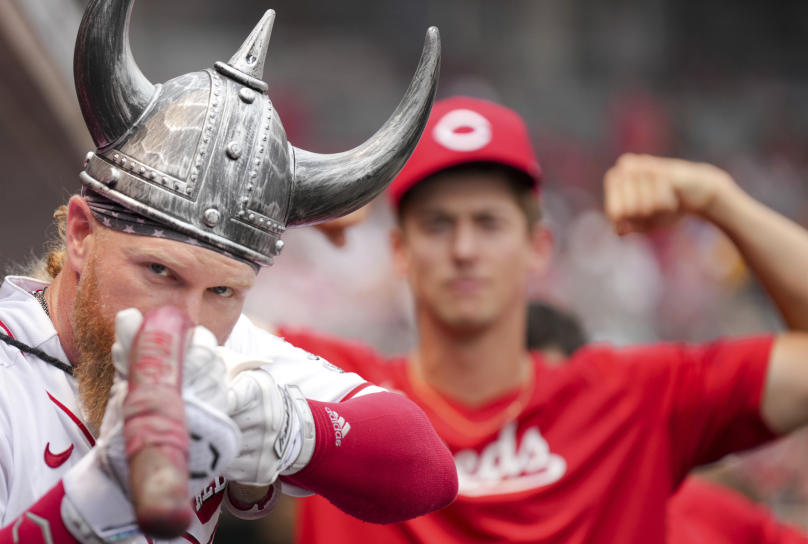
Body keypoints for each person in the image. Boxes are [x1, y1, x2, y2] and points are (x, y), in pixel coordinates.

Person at [0, 0, 458, 544]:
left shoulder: (216, 356)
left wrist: (291, 429)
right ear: (82, 234)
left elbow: (426, 470)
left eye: (222, 292)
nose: (186, 319)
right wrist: (83, 513)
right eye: (159, 272)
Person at [278, 94, 808, 543]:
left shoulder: (633, 400)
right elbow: (196, 341)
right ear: (398, 249)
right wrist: (278, 207)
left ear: (539, 246)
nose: (464, 249)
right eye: (438, 224)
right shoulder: (331, 388)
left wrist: (719, 200)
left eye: (489, 223)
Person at [526, 299, 808, 543]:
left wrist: (739, 231)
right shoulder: (487, 507)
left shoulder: (694, 510)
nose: (543, 431)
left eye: (558, 402)